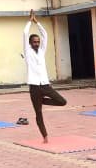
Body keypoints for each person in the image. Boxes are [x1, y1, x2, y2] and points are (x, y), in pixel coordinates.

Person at [23, 12, 67, 142]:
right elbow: (25, 33)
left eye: (38, 42)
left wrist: (37, 22)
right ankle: (45, 136)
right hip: (34, 87)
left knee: (62, 101)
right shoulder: (27, 52)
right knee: (38, 113)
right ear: (30, 43)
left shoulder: (41, 51)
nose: (37, 43)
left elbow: (45, 35)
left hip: (45, 85)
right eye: (34, 42)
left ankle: (42, 101)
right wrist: (30, 22)